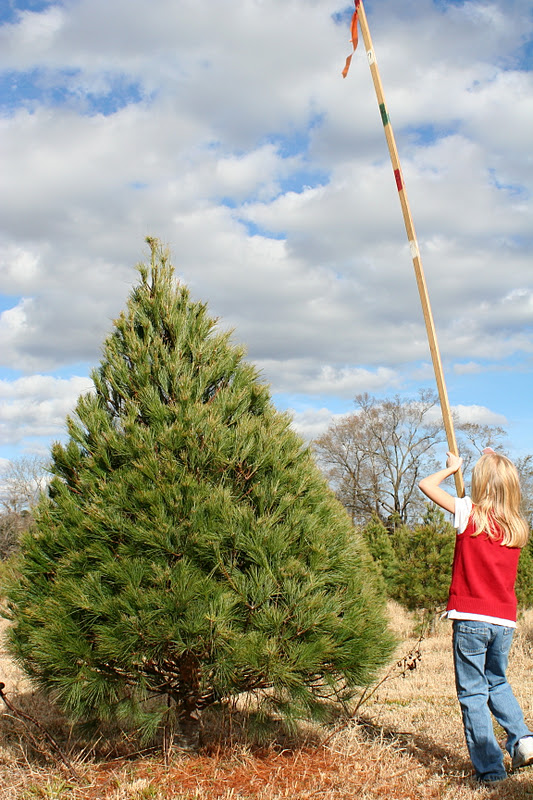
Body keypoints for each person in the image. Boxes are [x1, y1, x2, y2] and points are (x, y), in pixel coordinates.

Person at [418, 449, 533, 785]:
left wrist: (451, 468)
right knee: (496, 682)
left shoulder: (469, 513)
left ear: (480, 484)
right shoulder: (517, 527)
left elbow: (426, 485)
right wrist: (496, 460)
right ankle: (523, 739)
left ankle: (491, 771)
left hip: (471, 618)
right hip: (504, 622)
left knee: (472, 693)